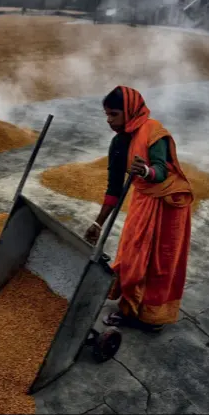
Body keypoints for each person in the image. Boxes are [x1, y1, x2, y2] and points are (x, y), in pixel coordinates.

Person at [84, 86, 193, 333]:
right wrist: (98, 223)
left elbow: (161, 170)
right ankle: (132, 307)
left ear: (130, 111)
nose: (109, 120)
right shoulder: (118, 144)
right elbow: (113, 189)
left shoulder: (153, 131)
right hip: (144, 201)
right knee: (133, 256)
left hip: (168, 205)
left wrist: (145, 171)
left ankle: (149, 317)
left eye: (114, 114)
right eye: (107, 115)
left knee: (158, 261)